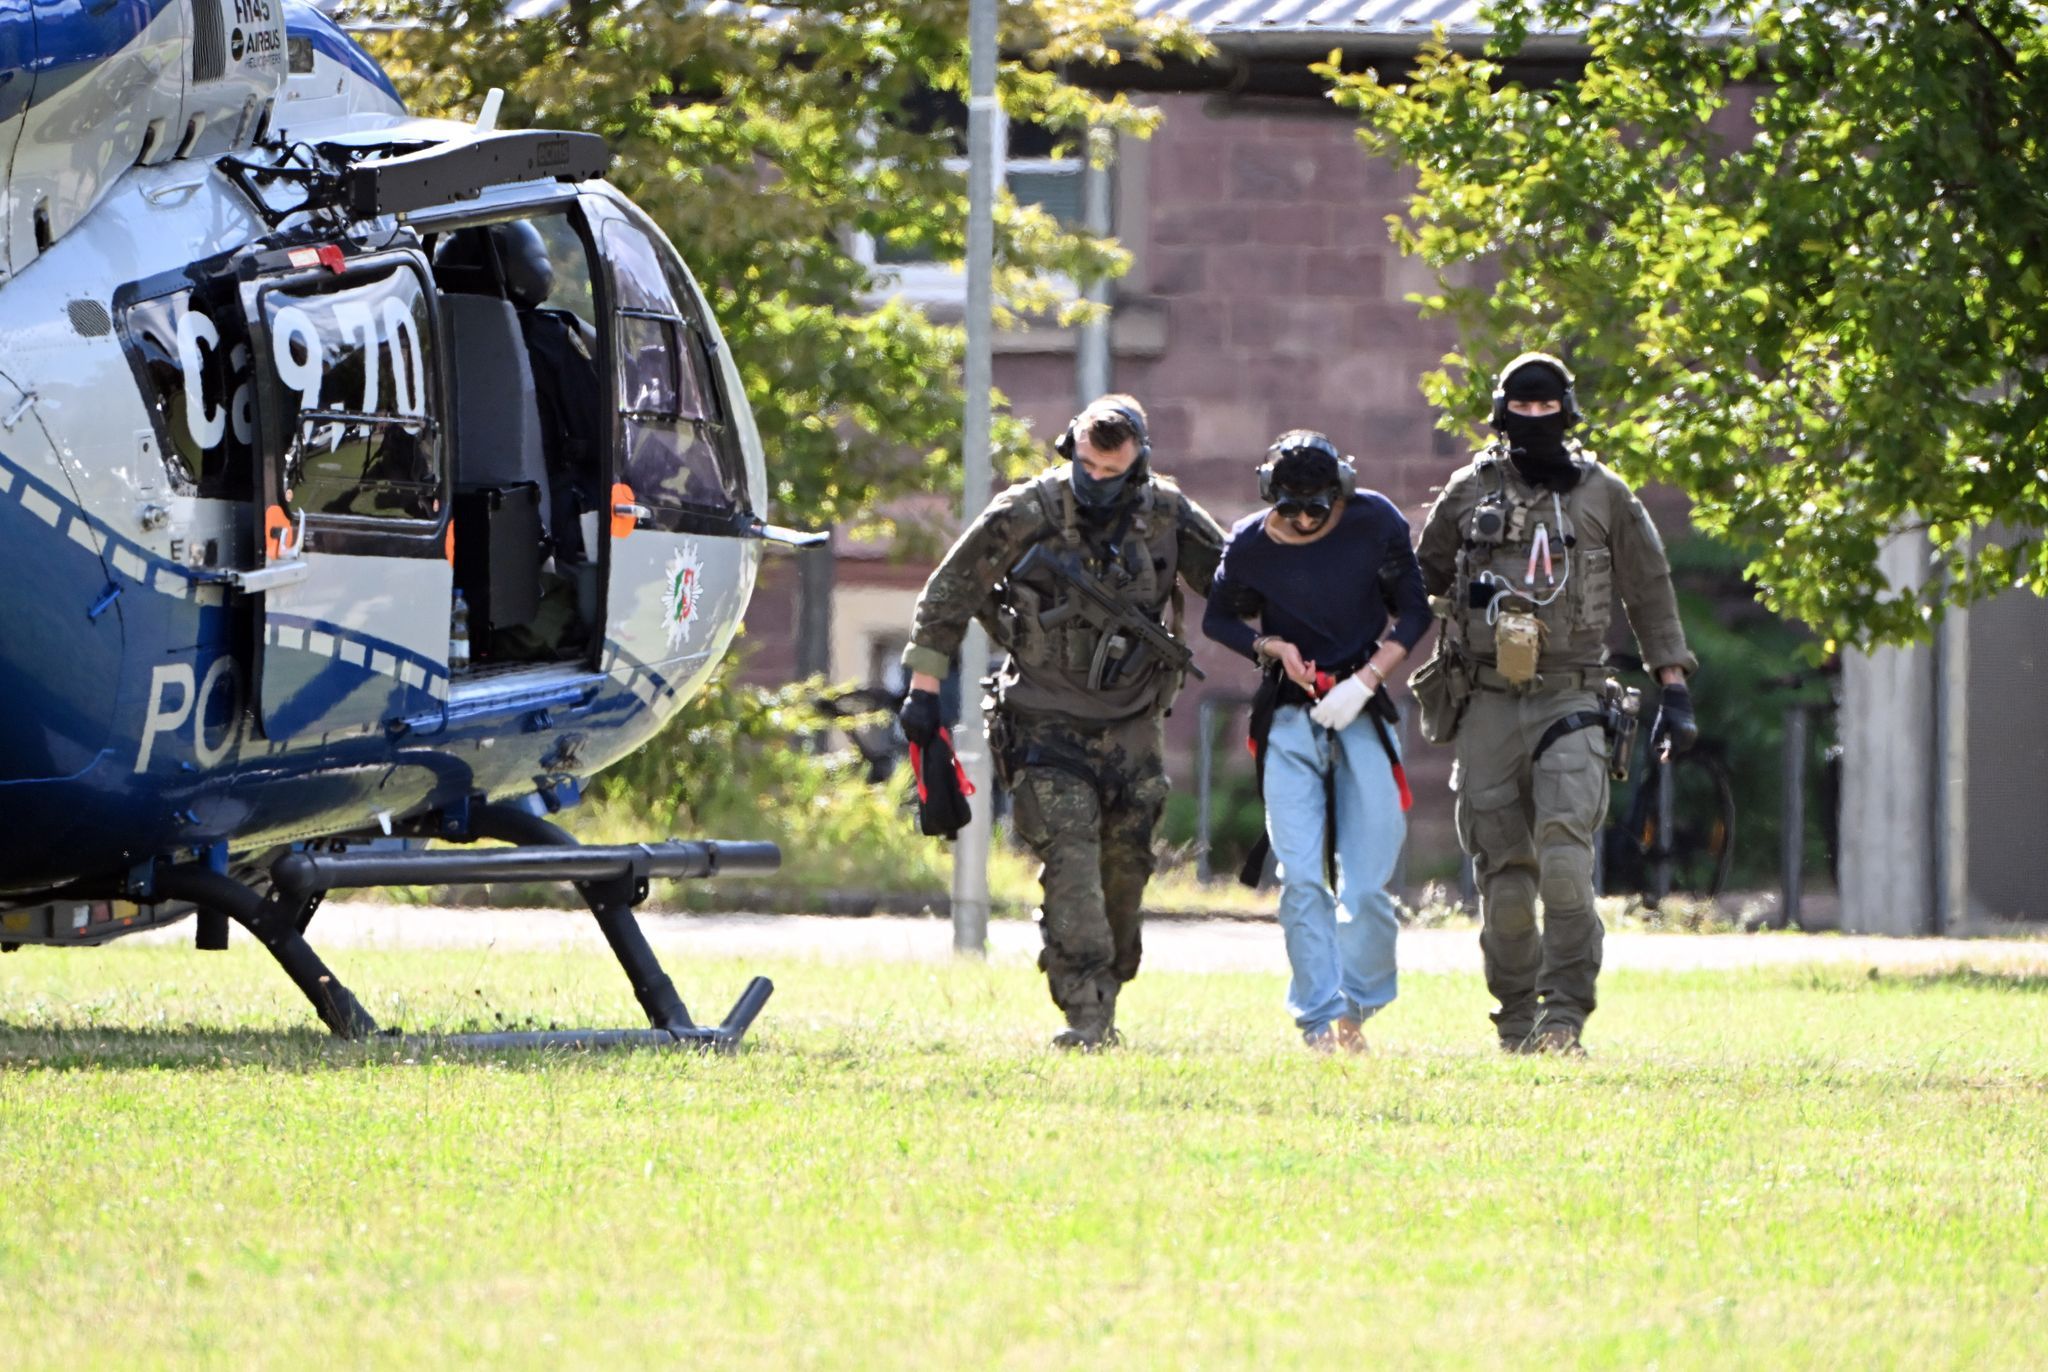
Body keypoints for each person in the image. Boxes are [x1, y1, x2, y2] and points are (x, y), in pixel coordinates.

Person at [898, 395, 1225, 1049]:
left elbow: (1233, 583)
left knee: (1124, 872)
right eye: (1086, 466)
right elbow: (950, 590)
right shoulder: (1028, 512)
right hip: (1044, 720)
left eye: (1112, 470)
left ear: (1138, 462)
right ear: (1070, 450)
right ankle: (1087, 1011)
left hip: (1133, 725)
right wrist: (924, 690)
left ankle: (1108, 980)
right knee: (1071, 861)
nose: (1096, 480)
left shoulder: (1166, 515)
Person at [1414, 353, 1698, 1055]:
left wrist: (1674, 687)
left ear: (1566, 412)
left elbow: (1650, 590)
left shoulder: (1604, 495)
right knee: (1505, 886)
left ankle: (1564, 1015)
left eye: (1547, 409)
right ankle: (1517, 1023)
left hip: (1570, 695)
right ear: (1501, 414)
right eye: (1522, 409)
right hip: (1484, 698)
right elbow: (1415, 579)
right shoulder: (1467, 490)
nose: (1534, 421)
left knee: (1567, 869)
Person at [1202, 431, 1431, 1052]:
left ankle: (1357, 1008)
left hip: (1360, 705)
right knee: (1302, 877)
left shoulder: (1373, 521)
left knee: (1366, 884)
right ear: (1269, 496)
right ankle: (1316, 1020)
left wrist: (1366, 680)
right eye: (1289, 507)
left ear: (1342, 493)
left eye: (1317, 507)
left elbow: (1415, 611)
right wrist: (1270, 647)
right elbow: (1218, 617)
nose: (1303, 519)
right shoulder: (1249, 541)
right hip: (1288, 714)